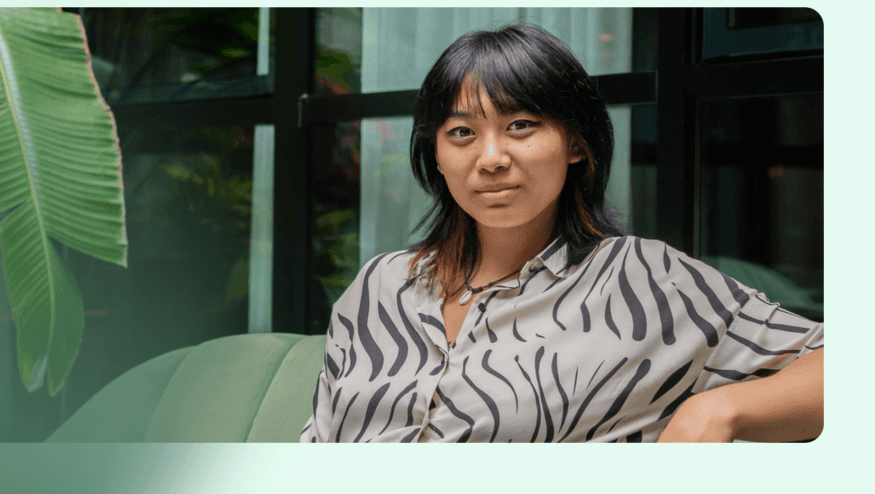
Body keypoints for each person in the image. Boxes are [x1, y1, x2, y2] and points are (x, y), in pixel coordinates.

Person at [300, 25, 823, 443]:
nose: (490, 159)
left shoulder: (642, 278)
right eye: (461, 133)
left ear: (576, 143)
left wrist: (720, 410)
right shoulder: (378, 286)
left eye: (521, 125)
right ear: (435, 154)